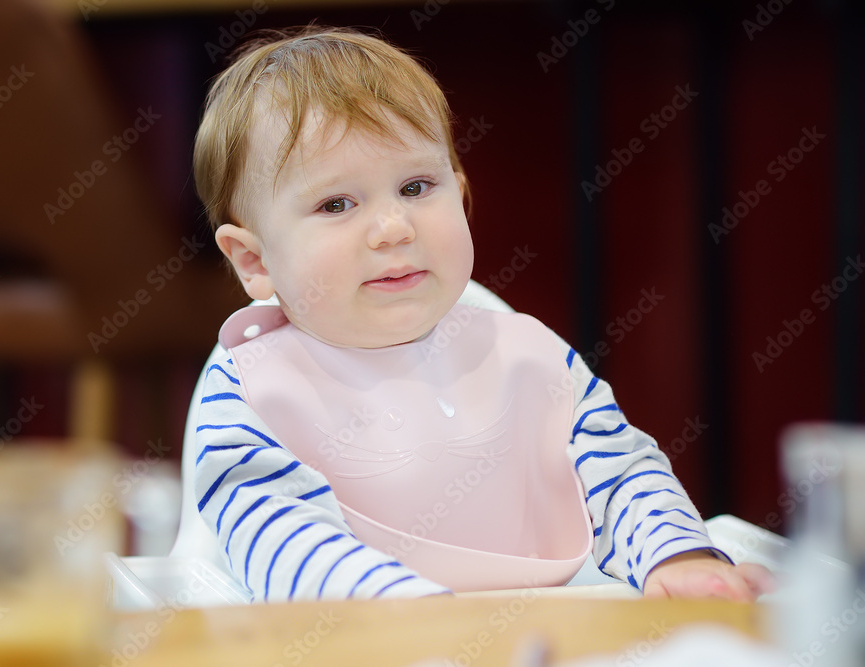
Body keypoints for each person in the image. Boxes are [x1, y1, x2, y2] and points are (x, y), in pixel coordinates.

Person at [189, 25, 773, 602]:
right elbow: (281, 539)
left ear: (462, 199)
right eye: (336, 203)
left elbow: (619, 473)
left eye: (417, 187)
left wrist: (678, 556)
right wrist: (408, 612)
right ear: (254, 259)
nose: (394, 228)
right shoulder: (248, 396)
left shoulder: (528, 355)